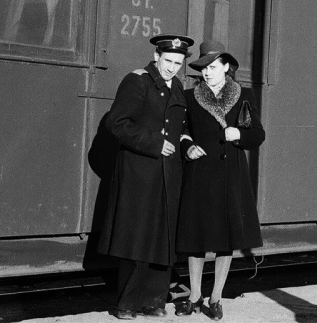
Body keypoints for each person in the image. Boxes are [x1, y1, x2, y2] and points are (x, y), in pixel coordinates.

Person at [98, 34, 194, 320]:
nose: (172, 67)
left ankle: (154, 301)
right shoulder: (137, 80)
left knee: (162, 237)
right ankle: (127, 304)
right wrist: (152, 142)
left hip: (168, 173)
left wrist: (188, 146)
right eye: (168, 61)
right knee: (136, 237)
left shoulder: (176, 86)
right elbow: (117, 123)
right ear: (156, 57)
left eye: (178, 63)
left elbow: (181, 128)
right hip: (139, 172)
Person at [175, 41, 265, 321]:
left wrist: (238, 134)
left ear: (226, 67)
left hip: (230, 176)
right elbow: (182, 131)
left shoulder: (243, 96)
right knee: (196, 239)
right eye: (203, 68)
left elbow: (257, 135)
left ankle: (215, 299)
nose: (207, 73)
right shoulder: (190, 97)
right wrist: (187, 147)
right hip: (200, 173)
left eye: (213, 67)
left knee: (225, 240)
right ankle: (194, 296)